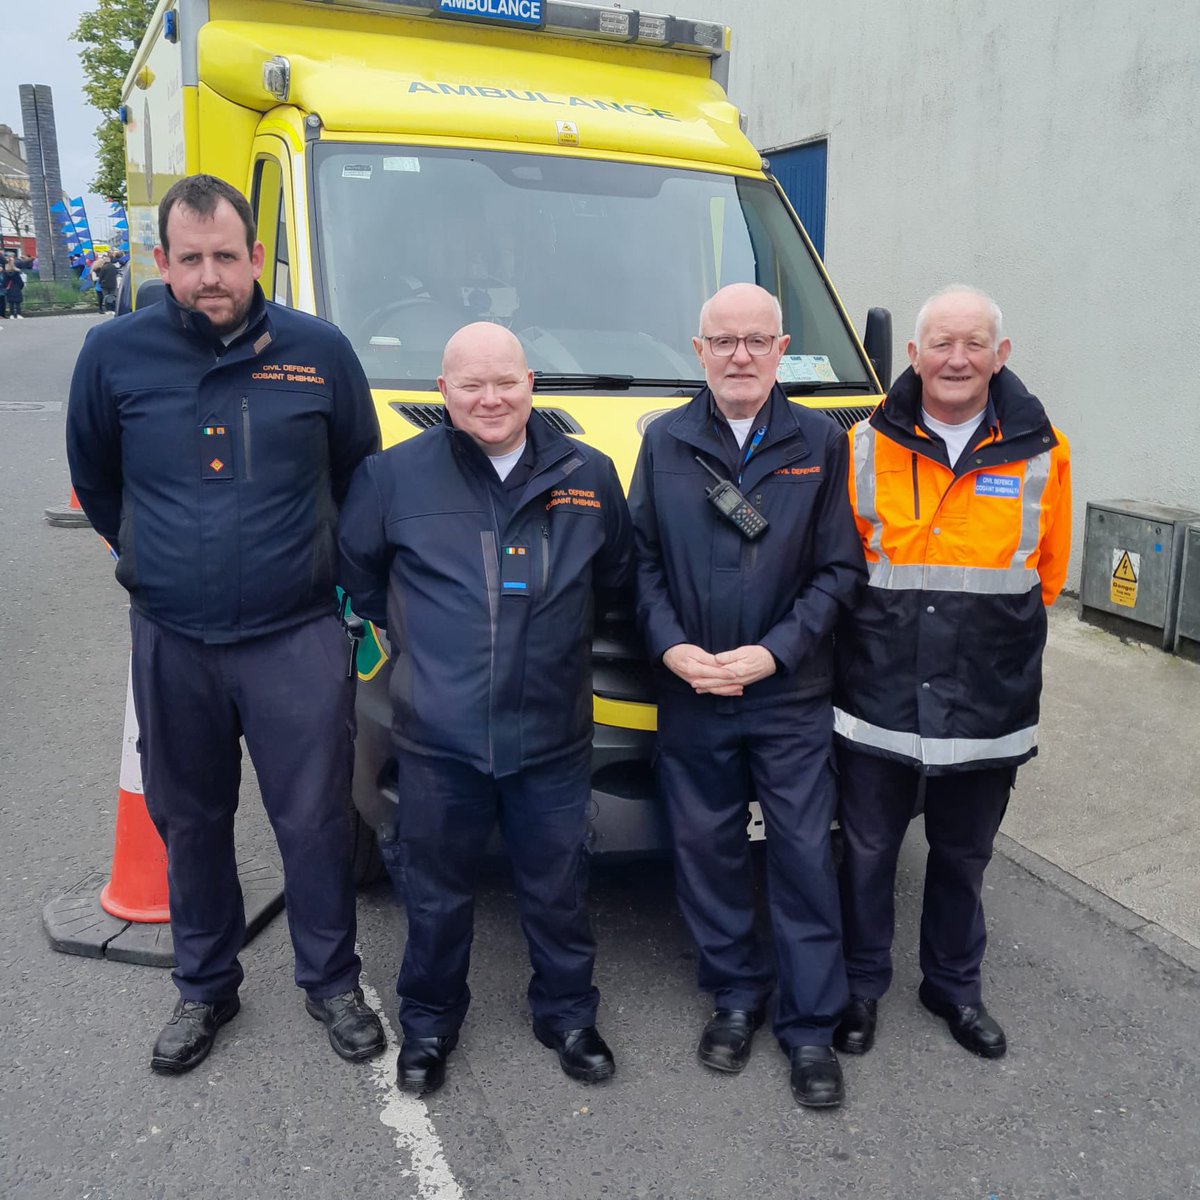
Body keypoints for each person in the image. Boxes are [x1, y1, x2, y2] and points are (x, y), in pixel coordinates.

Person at [66, 173, 387, 1075]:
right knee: (189, 817)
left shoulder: (318, 351)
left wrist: (337, 585)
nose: (212, 276)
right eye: (191, 259)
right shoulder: (113, 353)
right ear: (162, 261)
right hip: (174, 639)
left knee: (316, 820)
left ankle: (331, 982)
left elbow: (357, 471)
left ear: (256, 257)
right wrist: (147, 552)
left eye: (228, 257)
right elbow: (96, 479)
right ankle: (205, 987)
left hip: (295, 636)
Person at [338, 321, 633, 1097]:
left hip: (552, 739)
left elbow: (615, 587)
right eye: (471, 384)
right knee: (434, 896)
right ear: (444, 392)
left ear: (531, 384)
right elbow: (362, 578)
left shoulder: (590, 474)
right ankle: (430, 1024)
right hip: (440, 741)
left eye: (506, 381)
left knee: (558, 887)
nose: (491, 398)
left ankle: (567, 1015)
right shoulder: (392, 479)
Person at [627, 282, 867, 1109]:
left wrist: (775, 654)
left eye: (755, 341)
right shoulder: (662, 443)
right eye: (722, 341)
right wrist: (671, 647)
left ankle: (808, 1028)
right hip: (693, 691)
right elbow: (642, 566)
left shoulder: (820, 443)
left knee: (802, 856)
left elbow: (840, 571)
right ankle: (735, 996)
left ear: (781, 349)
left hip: (789, 694)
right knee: (708, 852)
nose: (738, 356)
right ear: (698, 353)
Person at [832, 285, 1071, 1062]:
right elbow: (843, 564)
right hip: (878, 696)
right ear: (912, 355)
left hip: (987, 701)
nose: (956, 359)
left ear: (1001, 356)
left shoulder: (1045, 452)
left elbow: (1048, 574)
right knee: (867, 854)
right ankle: (860, 987)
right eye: (940, 343)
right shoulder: (864, 445)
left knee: (963, 857)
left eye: (974, 344)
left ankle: (953, 986)